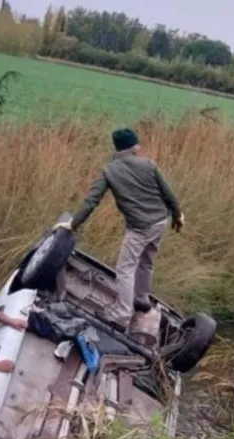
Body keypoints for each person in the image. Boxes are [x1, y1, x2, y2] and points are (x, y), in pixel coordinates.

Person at [53, 127, 183, 333]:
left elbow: (91, 202)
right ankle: (141, 300)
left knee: (125, 269)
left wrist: (73, 224)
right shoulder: (148, 164)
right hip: (160, 222)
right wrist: (177, 216)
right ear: (133, 147)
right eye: (137, 144)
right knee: (146, 262)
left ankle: (121, 315)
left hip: (139, 227)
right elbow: (170, 195)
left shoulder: (109, 171)